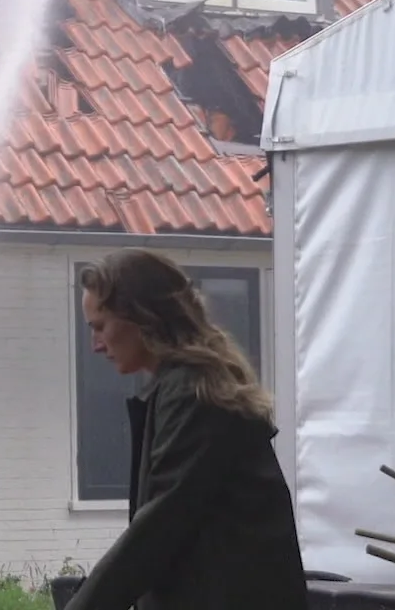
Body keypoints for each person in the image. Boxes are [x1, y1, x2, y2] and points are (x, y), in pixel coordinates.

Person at [65, 249, 306, 610]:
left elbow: (158, 528)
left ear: (141, 316)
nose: (96, 345)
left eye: (101, 326)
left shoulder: (192, 393)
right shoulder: (188, 386)